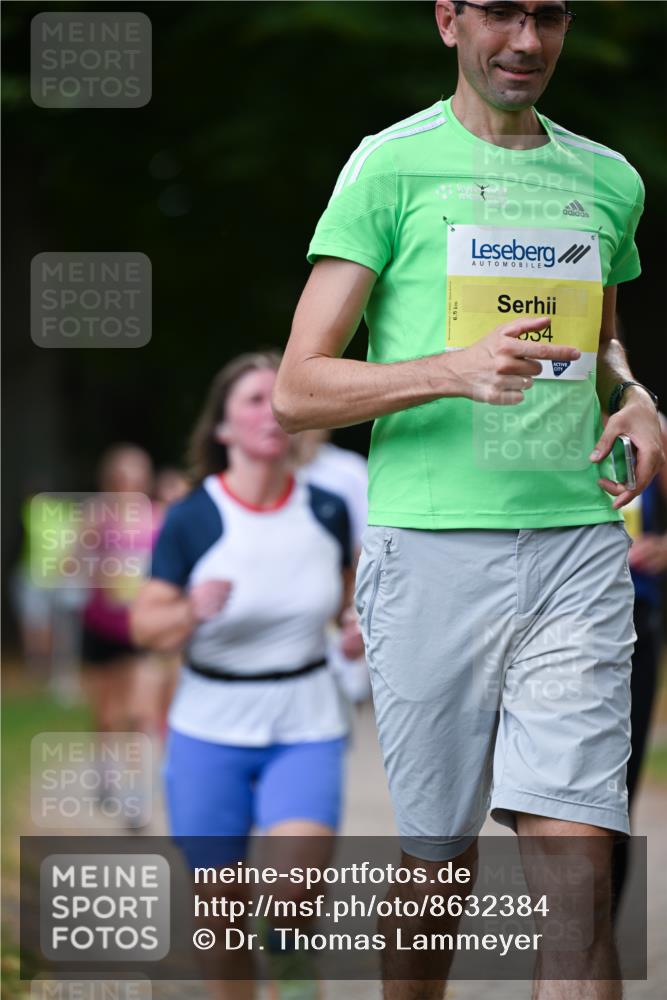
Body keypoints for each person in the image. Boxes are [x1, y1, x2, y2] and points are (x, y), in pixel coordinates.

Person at [272, 3, 664, 998]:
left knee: (576, 869)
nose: (525, 41)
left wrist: (634, 395)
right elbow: (297, 388)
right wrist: (449, 369)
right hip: (429, 548)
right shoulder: (389, 166)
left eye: (548, 16)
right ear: (449, 20)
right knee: (436, 862)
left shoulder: (607, 178)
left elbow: (600, 342)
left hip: (575, 543)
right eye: (500, 13)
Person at [130, 352, 363, 1000]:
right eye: (253, 400)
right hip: (209, 727)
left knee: (293, 895)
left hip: (306, 719)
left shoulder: (326, 510)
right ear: (223, 427)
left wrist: (355, 629)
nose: (270, 412)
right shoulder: (193, 517)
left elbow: (349, 603)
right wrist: (189, 609)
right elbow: (145, 626)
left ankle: (292, 974)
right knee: (222, 917)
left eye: (278, 399)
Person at [612, 415, 667, 918]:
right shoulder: (531, 423)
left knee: (613, 790)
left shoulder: (652, 428)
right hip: (552, 621)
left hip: (633, 621)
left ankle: (594, 934)